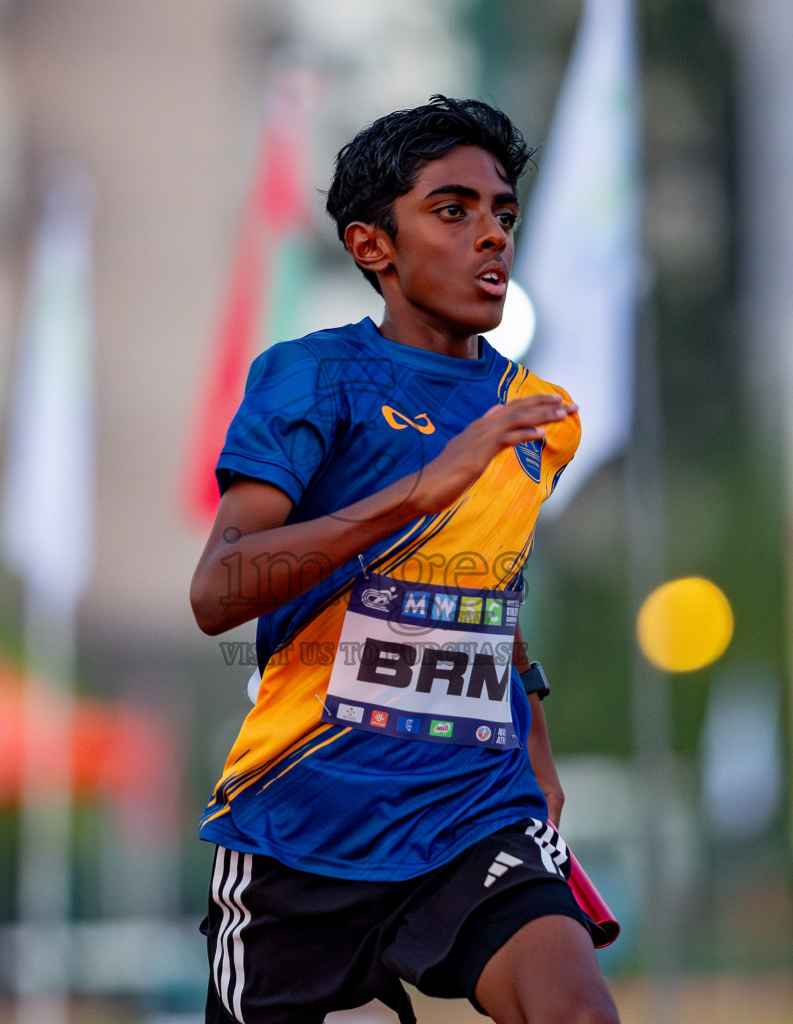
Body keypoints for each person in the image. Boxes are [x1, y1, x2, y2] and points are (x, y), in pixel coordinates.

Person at [189, 96, 618, 1024]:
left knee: (577, 1012)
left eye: (503, 212)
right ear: (373, 245)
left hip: (473, 810)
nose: (491, 236)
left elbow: (483, 581)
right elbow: (219, 592)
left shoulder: (539, 414)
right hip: (303, 822)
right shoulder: (314, 378)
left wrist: (534, 736)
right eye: (453, 210)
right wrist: (416, 490)